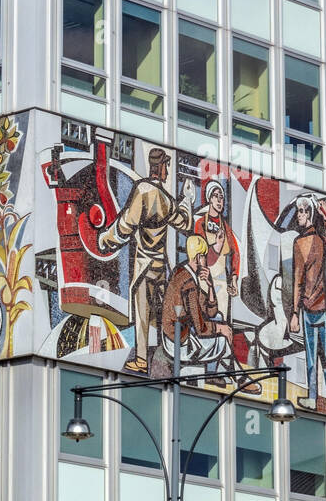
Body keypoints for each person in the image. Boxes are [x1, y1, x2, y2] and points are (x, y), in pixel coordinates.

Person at [97, 147, 193, 374]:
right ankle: (167, 357)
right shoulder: (167, 200)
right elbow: (185, 222)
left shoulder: (143, 191)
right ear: (160, 167)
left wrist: (105, 240)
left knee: (143, 315)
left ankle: (141, 360)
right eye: (167, 166)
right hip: (161, 267)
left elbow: (124, 227)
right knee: (164, 316)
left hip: (144, 265)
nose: (168, 170)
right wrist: (187, 199)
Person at [289, 194, 326, 414]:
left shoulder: (305, 242)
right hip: (314, 306)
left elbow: (297, 280)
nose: (299, 215)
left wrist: (294, 312)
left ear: (309, 213)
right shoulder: (317, 240)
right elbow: (297, 277)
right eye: (298, 211)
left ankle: (325, 399)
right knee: (320, 357)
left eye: (302, 211)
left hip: (313, 307)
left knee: (319, 357)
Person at [159, 235, 236, 373]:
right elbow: (200, 327)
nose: (206, 260)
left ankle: (227, 371)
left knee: (218, 317)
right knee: (223, 340)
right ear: (199, 257)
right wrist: (219, 329)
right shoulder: (189, 284)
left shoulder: (183, 272)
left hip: (178, 333)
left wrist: (210, 286)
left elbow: (210, 311)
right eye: (205, 256)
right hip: (179, 342)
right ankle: (225, 374)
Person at [194, 178, 240, 322]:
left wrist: (233, 278)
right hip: (204, 281)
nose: (220, 200)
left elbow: (236, 253)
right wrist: (217, 246)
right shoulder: (200, 224)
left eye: (222, 197)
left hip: (221, 283)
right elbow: (200, 255)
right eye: (216, 196)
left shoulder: (226, 228)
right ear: (209, 199)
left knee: (221, 322)